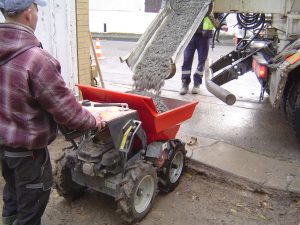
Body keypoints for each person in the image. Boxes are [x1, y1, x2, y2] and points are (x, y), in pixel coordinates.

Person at [0, 1, 105, 225]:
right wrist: (93, 120)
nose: (37, 14)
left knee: (12, 197)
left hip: (5, 149)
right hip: (29, 155)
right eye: (37, 9)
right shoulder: (36, 60)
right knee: (31, 209)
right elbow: (69, 114)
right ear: (29, 13)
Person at [180, 12, 228, 95]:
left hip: (204, 36)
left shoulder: (211, 2)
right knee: (186, 60)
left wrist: (223, 24)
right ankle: (185, 84)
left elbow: (219, 11)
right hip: (190, 35)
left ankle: (197, 84)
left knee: (201, 61)